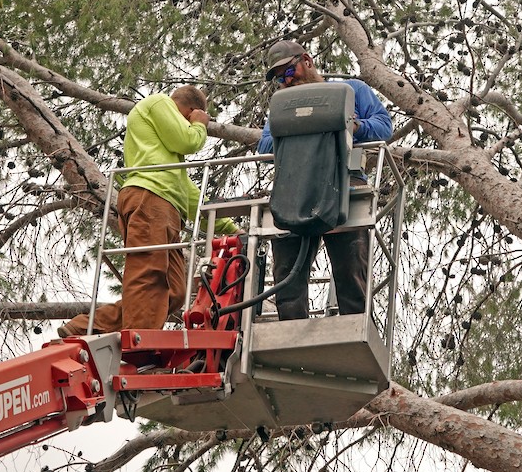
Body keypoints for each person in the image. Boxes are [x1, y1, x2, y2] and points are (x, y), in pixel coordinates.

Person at [60, 85, 237, 336]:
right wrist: (199, 125)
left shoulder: (167, 164)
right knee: (148, 275)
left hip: (163, 206)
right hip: (149, 198)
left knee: (173, 291)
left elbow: (191, 196)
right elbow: (187, 140)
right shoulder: (158, 102)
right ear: (188, 111)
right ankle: (138, 342)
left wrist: (229, 228)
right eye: (189, 119)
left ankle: (85, 327)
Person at [258, 41, 393, 320]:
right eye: (279, 79)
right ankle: (291, 331)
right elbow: (264, 146)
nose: (286, 81)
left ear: (306, 60)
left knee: (350, 269)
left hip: (346, 186)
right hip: (295, 190)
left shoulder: (352, 91)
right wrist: (298, 129)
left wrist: (352, 126)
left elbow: (384, 125)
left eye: (288, 71)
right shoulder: (283, 105)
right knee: (287, 273)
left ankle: (354, 325)